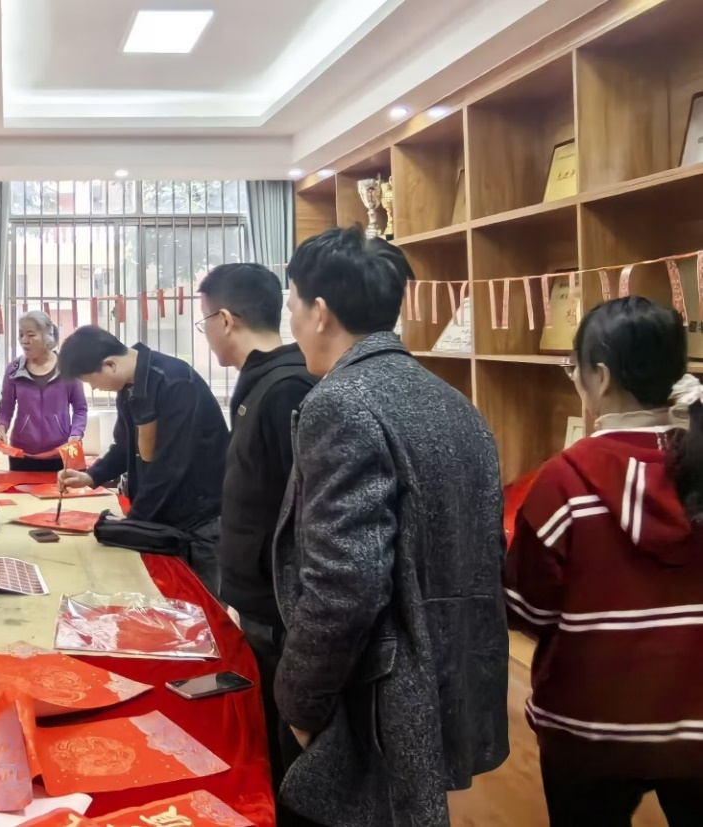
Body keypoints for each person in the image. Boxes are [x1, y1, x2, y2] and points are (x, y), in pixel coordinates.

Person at [274, 226, 508, 826]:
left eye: (291, 305)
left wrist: (301, 702)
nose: (291, 323)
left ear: (319, 311)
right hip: (447, 675)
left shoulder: (340, 402)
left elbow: (344, 582)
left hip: (373, 692)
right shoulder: (453, 401)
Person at [506, 297, 703, 826]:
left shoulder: (562, 481)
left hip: (588, 727)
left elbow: (527, 609)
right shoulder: (697, 465)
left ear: (603, 375)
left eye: (574, 367)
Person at [197, 262, 316, 797]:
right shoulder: (259, 381)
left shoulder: (288, 387)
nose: (206, 333)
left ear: (225, 319)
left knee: (289, 751)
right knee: (264, 734)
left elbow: (306, 513)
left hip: (282, 608)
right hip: (258, 599)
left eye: (205, 321)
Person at [56, 326, 229, 596]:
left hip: (198, 519)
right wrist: (91, 476)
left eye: (91, 381)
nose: (95, 388)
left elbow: (171, 466)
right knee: (162, 602)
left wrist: (131, 527)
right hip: (161, 514)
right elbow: (125, 445)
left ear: (110, 364)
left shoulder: (175, 382)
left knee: (201, 606)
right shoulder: (130, 387)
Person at [0, 310, 88, 472]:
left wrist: (75, 435)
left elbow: (80, 409)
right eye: (21, 335)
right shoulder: (13, 370)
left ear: (47, 336)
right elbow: (5, 408)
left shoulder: (68, 369)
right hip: (22, 454)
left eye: (31, 335)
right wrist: (1, 429)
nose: (24, 340)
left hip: (60, 452)